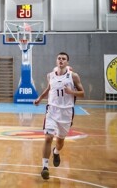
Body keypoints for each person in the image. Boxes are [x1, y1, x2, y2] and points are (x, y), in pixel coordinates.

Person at [34, 52, 85, 180]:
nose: (61, 60)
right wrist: (40, 98)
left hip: (66, 112)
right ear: (56, 61)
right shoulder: (50, 75)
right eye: (59, 58)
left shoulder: (73, 76)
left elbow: (82, 93)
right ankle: (45, 167)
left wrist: (71, 92)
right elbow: (49, 88)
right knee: (48, 137)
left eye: (63, 59)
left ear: (67, 62)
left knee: (60, 141)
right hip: (52, 109)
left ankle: (56, 152)